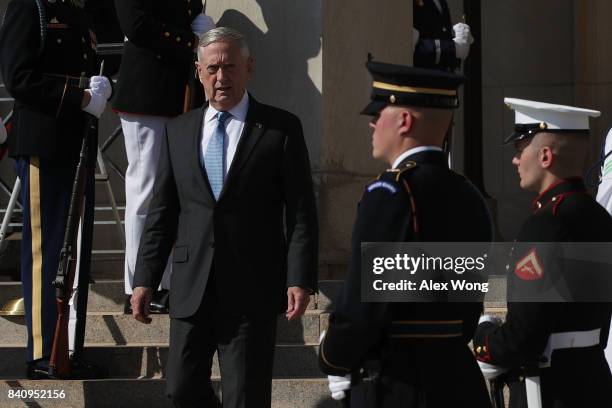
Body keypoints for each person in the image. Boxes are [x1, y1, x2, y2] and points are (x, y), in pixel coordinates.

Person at [130, 27, 318, 407]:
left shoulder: (280, 129)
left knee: (245, 397)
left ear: (249, 67)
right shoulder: (179, 131)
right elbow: (163, 212)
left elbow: (300, 213)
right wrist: (144, 279)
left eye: (230, 67)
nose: (221, 77)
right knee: (180, 389)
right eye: (212, 68)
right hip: (191, 288)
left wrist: (299, 278)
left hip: (251, 288)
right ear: (198, 70)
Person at [318, 60, 493, 407]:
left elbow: (361, 307)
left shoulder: (391, 193)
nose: (371, 123)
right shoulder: (469, 194)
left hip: (399, 381)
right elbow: (468, 305)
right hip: (458, 378)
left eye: (378, 112)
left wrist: (333, 354)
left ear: (404, 120)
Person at [473, 98, 612, 408]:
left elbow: (523, 336)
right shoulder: (599, 217)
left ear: (546, 156)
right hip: (593, 381)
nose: (515, 160)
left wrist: (485, 340)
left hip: (550, 390)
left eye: (520, 150)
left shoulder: (546, 224)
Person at [0, 0, 111, 378]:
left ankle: (68, 348)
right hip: (44, 146)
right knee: (44, 251)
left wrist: (102, 87)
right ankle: (41, 352)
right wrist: (80, 97)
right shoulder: (29, 8)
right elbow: (19, 77)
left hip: (77, 143)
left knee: (74, 252)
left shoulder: (79, 12)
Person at [113, 0, 214, 314]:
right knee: (146, 189)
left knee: (171, 193)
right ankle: (139, 284)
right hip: (148, 91)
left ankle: (166, 280)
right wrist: (190, 41)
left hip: (175, 93)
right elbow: (137, 24)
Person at [413, 0, 472, 71]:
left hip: (442, 75)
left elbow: (442, 35)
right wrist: (453, 48)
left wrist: (460, 40)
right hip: (419, 75)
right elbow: (406, 43)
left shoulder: (442, 2)